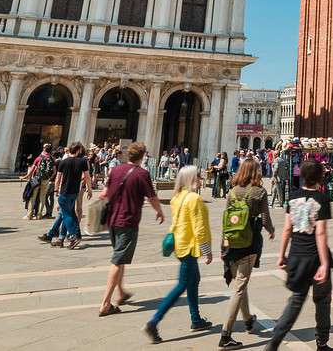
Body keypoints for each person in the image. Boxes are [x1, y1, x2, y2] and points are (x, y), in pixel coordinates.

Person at [265, 160, 333, 351]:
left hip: (296, 256)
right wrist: (324, 263)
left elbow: (287, 229)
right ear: (320, 177)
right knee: (322, 301)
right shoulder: (321, 198)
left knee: (296, 301)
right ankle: (322, 343)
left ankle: (274, 342)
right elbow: (320, 233)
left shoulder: (293, 197)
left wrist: (281, 255)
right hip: (314, 257)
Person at [143, 164, 213, 342]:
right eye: (197, 176)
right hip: (189, 247)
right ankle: (154, 321)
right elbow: (200, 228)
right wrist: (207, 251)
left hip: (179, 244)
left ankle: (196, 320)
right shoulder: (194, 199)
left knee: (193, 281)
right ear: (191, 179)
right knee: (182, 285)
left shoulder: (177, 197)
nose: (200, 179)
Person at [98, 143, 166, 317]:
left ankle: (121, 293)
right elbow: (152, 197)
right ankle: (105, 303)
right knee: (117, 260)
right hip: (127, 220)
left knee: (119, 257)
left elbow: (103, 193)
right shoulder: (142, 174)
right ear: (142, 156)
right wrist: (159, 211)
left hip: (111, 219)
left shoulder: (115, 170)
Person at [218, 158, 275, 348]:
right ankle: (226, 334)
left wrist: (223, 245)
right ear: (256, 172)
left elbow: (226, 220)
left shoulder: (232, 192)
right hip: (249, 244)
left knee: (241, 283)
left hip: (232, 243)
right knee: (240, 287)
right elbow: (266, 219)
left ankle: (249, 319)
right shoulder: (259, 191)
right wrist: (272, 231)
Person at [42, 142, 89, 248]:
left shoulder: (63, 162)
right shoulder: (82, 162)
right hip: (74, 192)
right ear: (78, 150)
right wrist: (89, 189)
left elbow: (58, 178)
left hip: (64, 192)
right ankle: (59, 237)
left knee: (66, 214)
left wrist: (56, 190)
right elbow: (87, 176)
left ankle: (73, 235)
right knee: (67, 213)